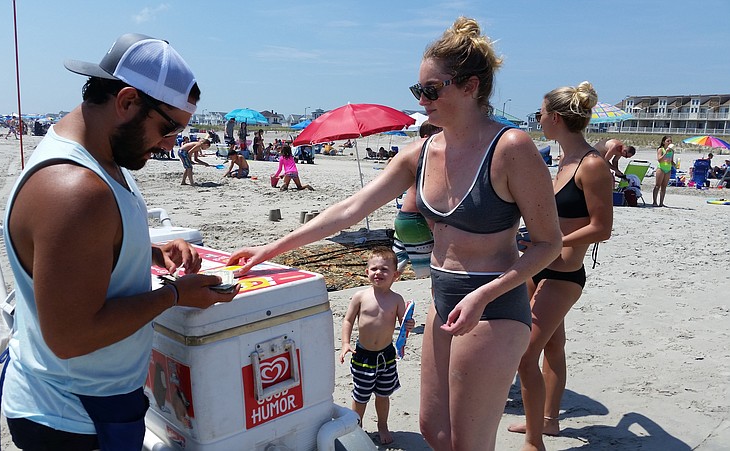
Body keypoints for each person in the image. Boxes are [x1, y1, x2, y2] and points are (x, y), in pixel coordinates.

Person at [228, 16, 562, 451]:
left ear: (470, 86)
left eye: (431, 89)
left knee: (468, 443)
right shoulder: (420, 152)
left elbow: (548, 242)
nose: (422, 100)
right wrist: (274, 247)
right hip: (444, 298)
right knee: (434, 432)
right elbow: (350, 209)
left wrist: (485, 295)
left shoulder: (510, 149)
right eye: (417, 90)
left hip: (494, 303)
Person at [0, 33, 238, 450]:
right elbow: (71, 337)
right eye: (168, 128)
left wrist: (150, 252)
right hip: (70, 418)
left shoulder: (100, 161)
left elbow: (83, 252)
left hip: (90, 404)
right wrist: (175, 295)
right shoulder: (75, 188)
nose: (171, 144)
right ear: (127, 101)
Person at [508, 82, 613, 451]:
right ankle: (549, 421)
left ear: (554, 118)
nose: (536, 119)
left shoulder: (593, 165)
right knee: (553, 346)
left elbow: (602, 228)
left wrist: (553, 243)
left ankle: (535, 441)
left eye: (539, 113)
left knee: (524, 354)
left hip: (564, 273)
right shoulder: (561, 160)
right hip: (536, 266)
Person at [339, 247, 413, 445]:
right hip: (363, 356)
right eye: (374, 269)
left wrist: (408, 325)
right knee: (360, 396)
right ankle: (357, 427)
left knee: (383, 395)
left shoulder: (397, 300)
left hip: (386, 357)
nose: (378, 273)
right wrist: (346, 343)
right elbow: (347, 320)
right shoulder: (360, 297)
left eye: (384, 269)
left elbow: (403, 325)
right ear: (367, 272)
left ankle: (382, 425)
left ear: (395, 275)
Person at [391, 121, 441, 278]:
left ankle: (379, 298)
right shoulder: (430, 161)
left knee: (393, 270)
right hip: (417, 221)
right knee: (429, 274)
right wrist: (434, 229)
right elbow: (426, 198)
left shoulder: (415, 158)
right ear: (427, 137)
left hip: (403, 219)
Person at [653, 135, 675, 207]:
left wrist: (674, 164)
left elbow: (671, 161)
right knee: (657, 185)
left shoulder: (672, 151)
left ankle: (661, 203)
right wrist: (666, 153)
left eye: (670, 141)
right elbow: (659, 160)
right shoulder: (661, 149)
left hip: (668, 169)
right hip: (661, 168)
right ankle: (654, 202)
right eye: (668, 141)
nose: (669, 142)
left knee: (664, 186)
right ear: (663, 142)